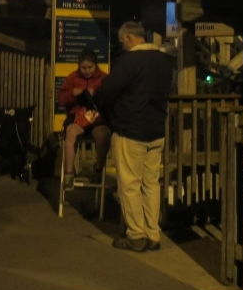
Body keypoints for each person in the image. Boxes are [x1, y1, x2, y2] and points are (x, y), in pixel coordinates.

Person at [95, 21, 172, 253]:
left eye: (122, 42)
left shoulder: (130, 61)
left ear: (129, 38)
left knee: (129, 185)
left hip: (131, 130)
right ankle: (153, 234)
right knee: (151, 184)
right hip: (156, 130)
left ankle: (136, 235)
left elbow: (106, 90)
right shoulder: (163, 61)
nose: (122, 47)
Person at [57, 50, 110, 190]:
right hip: (78, 117)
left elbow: (110, 99)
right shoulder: (72, 78)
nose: (87, 71)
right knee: (70, 132)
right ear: (79, 66)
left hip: (97, 118)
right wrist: (72, 94)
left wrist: (97, 93)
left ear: (96, 66)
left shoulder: (104, 78)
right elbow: (61, 99)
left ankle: (98, 168)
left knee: (103, 135)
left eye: (90, 68)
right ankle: (69, 173)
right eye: (83, 68)